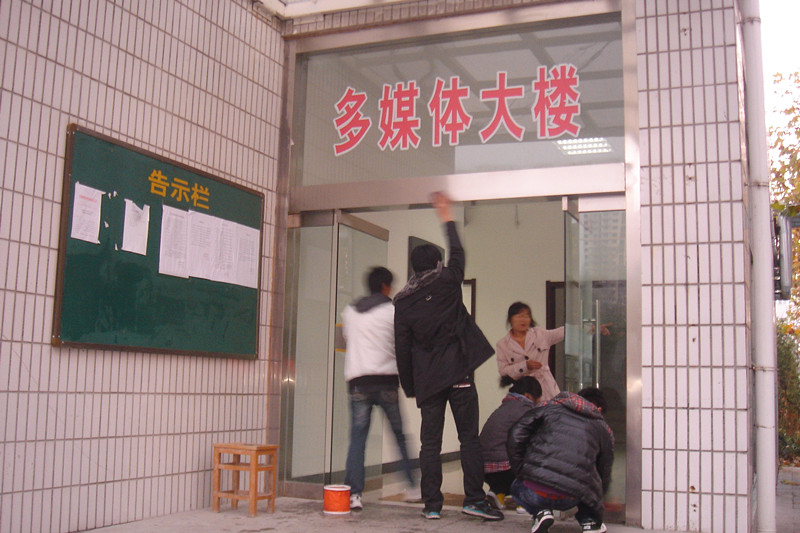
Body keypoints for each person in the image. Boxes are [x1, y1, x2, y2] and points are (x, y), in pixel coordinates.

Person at [394, 191, 503, 522]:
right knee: (468, 438)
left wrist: (410, 386)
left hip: (428, 381)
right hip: (459, 374)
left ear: (413, 268)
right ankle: (474, 499)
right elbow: (458, 252)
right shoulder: (448, 281)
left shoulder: (404, 302)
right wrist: (446, 216)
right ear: (437, 264)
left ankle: (431, 505)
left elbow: (402, 348)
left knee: (430, 444)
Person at [342, 266, 419, 511]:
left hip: (359, 383)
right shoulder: (393, 312)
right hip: (386, 381)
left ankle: (354, 494)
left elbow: (347, 340)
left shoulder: (350, 311)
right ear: (386, 286)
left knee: (358, 440)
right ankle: (412, 487)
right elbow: (401, 344)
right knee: (399, 435)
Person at [507, 387, 614, 533]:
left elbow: (516, 435)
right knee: (588, 482)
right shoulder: (603, 429)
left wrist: (521, 469)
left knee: (517, 486)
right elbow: (604, 471)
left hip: (535, 493)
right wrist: (597, 505)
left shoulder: (548, 408)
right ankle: (590, 521)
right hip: (571, 498)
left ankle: (541, 512)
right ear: (599, 409)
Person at [479, 376, 542, 510]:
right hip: (506, 470)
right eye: (537, 399)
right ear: (528, 396)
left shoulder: (505, 407)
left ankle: (497, 493)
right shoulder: (525, 410)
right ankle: (524, 501)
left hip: (483, 470)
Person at [496, 302, 564, 402]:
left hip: (547, 390)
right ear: (510, 319)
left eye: (526, 316)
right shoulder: (503, 344)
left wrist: (584, 327)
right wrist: (525, 366)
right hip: (523, 392)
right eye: (519, 316)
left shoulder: (540, 334)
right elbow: (503, 371)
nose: (523, 320)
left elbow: (563, 332)